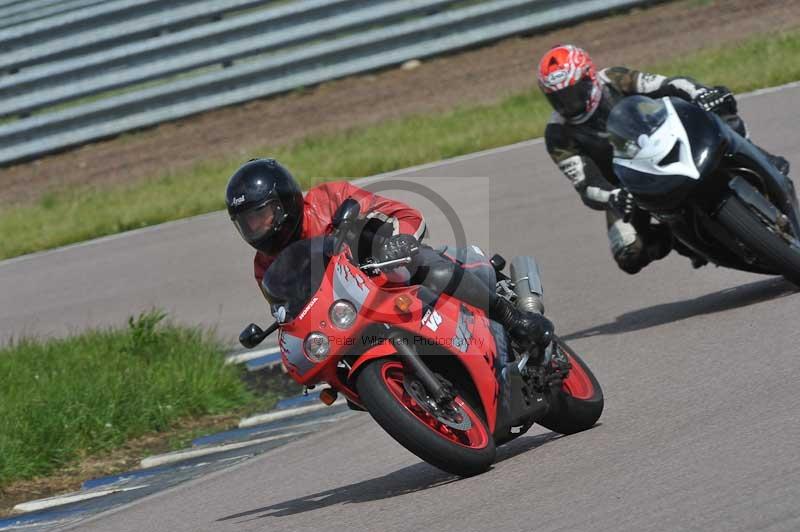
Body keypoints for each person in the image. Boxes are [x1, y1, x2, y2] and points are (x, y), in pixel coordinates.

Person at [225, 158, 553, 357]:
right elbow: (290, 313)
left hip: (389, 276)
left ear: (284, 203)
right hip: (353, 317)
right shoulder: (263, 266)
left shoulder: (329, 198)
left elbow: (404, 214)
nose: (257, 229)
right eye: (248, 223)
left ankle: (513, 318)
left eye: (262, 216)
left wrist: (399, 241)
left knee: (424, 263)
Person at [537, 44, 790, 274]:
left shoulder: (614, 78)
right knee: (629, 253)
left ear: (590, 77)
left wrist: (702, 93)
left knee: (722, 115)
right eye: (557, 98)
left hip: (663, 142)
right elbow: (585, 184)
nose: (567, 104)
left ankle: (763, 159)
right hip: (628, 187)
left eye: (573, 93)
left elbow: (668, 85)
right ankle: (678, 238)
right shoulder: (557, 134)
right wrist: (613, 196)